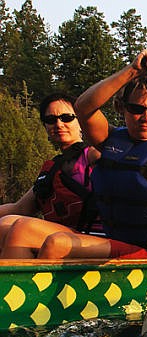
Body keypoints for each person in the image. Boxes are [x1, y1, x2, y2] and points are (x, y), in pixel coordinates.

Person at [34, 50, 147, 261]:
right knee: (16, 232)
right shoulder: (109, 138)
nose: (146, 117)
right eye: (136, 109)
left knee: (56, 244)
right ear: (121, 107)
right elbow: (83, 107)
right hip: (113, 242)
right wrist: (132, 70)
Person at [0, 93, 101, 258]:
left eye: (67, 117)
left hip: (93, 237)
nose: (59, 124)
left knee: (16, 227)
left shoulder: (94, 155)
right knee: (4, 226)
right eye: (51, 120)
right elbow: (20, 208)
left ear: (81, 122)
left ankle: (20, 283)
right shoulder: (52, 169)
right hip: (62, 235)